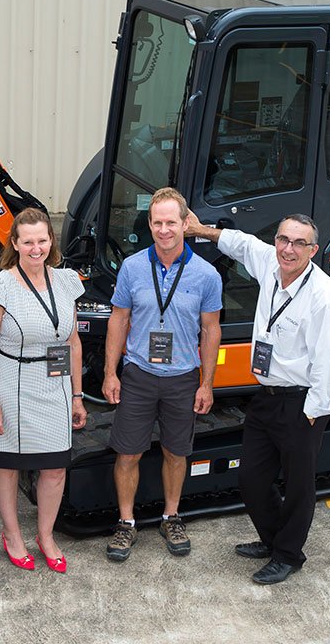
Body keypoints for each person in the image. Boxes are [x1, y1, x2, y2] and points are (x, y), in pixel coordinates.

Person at [184, 211, 330, 584]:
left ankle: (287, 555)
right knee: (252, 480)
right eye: (283, 240)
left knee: (299, 486)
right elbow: (239, 243)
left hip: (301, 402)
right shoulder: (270, 263)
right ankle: (274, 539)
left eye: (299, 243)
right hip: (266, 396)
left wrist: (312, 413)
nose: (288, 249)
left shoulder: (322, 297)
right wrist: (197, 229)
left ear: (313, 250)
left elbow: (328, 360)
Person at [103, 187, 222, 562]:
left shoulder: (206, 274)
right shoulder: (133, 267)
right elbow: (119, 319)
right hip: (138, 372)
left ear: (186, 223)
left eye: (172, 222)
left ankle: (171, 516)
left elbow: (211, 330)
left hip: (183, 377)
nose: (165, 229)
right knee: (127, 453)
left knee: (176, 451)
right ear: (150, 224)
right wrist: (110, 373)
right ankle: (126, 523)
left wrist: (207, 382)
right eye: (158, 222)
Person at [0, 208, 86, 573]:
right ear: (15, 244)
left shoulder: (68, 281)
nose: (35, 248)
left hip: (54, 383)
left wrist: (77, 395)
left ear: (51, 241)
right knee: (8, 465)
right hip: (12, 383)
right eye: (28, 241)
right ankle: (12, 534)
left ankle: (46, 534)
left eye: (42, 240)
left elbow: (73, 342)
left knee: (55, 466)